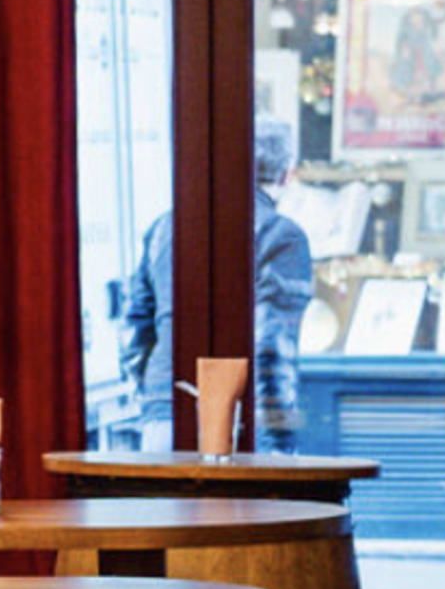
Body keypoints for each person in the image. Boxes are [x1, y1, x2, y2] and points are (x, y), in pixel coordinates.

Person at [122, 123, 314, 452]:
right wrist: (280, 435)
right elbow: (273, 344)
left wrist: (156, 390)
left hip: (162, 413)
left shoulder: (163, 227)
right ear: (285, 174)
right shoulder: (283, 235)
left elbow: (137, 326)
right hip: (240, 422)